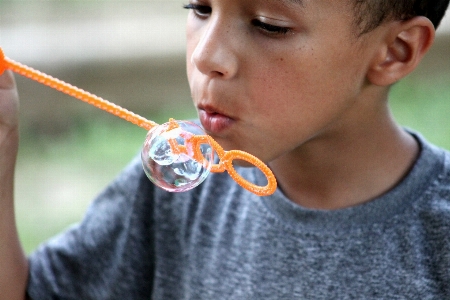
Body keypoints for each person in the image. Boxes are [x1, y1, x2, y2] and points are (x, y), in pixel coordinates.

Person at [1, 0, 449, 299]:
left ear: (395, 50)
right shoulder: (177, 184)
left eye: (267, 25)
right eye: (200, 7)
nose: (207, 55)